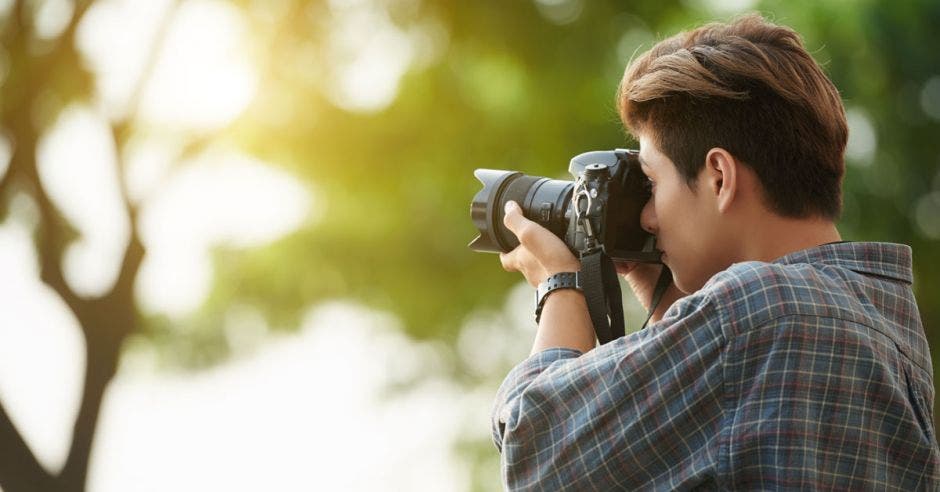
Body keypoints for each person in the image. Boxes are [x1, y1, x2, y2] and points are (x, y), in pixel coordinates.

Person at [491, 13, 939, 490]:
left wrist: (559, 285)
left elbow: (535, 450)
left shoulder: (753, 309)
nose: (647, 216)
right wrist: (664, 303)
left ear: (720, 178)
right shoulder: (889, 320)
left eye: (652, 181)